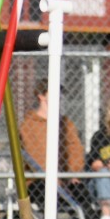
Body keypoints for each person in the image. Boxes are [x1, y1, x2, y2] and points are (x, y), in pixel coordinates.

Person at [19, 78, 86, 210]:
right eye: (54, 92)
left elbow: (75, 150)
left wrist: (72, 174)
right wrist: (50, 176)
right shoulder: (28, 125)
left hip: (65, 178)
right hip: (37, 180)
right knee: (46, 194)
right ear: (41, 96)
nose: (59, 97)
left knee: (82, 193)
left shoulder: (66, 123)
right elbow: (33, 154)